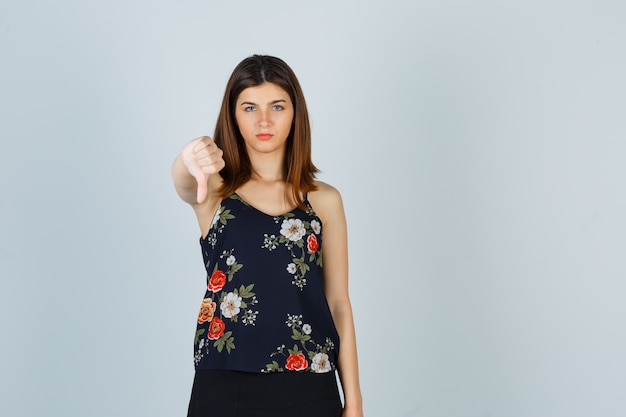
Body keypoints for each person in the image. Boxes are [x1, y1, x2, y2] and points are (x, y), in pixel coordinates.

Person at [172, 55, 363, 417]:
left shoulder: (323, 200)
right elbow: (183, 181)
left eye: (277, 106)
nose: (264, 120)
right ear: (233, 115)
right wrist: (188, 158)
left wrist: (353, 402)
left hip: (310, 383)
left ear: (295, 113)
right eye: (249, 107)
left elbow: (338, 303)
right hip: (225, 382)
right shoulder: (213, 189)